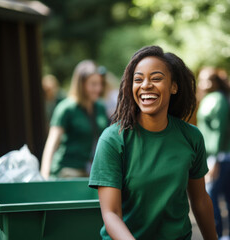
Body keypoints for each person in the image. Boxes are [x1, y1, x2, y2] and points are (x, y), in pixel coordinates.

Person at [89, 46, 218, 240]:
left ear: (174, 86)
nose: (146, 85)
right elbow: (111, 213)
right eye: (138, 79)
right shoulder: (113, 140)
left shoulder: (191, 137)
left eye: (156, 78)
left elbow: (200, 201)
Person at [40, 60, 109, 179]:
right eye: (93, 84)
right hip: (67, 171)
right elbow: (51, 144)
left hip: (92, 171)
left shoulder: (100, 107)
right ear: (81, 84)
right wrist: (44, 176)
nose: (98, 88)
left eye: (100, 84)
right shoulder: (66, 108)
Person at [196, 67, 230, 240]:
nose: (204, 83)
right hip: (222, 155)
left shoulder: (218, 100)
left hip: (222, 156)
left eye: (209, 79)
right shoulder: (209, 99)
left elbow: (220, 132)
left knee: (211, 196)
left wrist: (214, 159)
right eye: (202, 79)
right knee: (227, 196)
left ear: (216, 82)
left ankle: (220, 235)